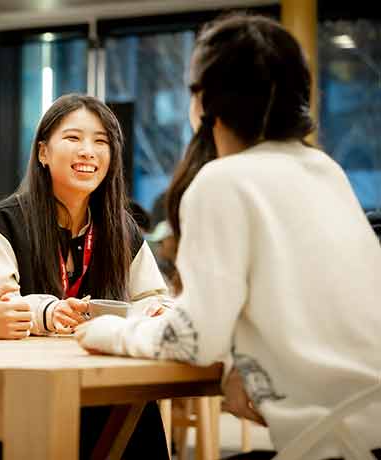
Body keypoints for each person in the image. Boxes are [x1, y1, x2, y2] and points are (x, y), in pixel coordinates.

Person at [76, 14, 381, 460]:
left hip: (336, 445)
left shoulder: (223, 181)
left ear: (203, 102)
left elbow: (194, 342)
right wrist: (240, 364)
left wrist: (105, 330)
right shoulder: (324, 170)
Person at [0, 94, 172, 458]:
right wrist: (46, 313)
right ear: (43, 153)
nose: (88, 151)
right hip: (22, 389)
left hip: (101, 385)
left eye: (101, 141)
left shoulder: (121, 229)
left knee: (140, 417)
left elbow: (153, 299)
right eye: (73, 138)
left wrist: (156, 312)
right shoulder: (2, 224)